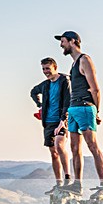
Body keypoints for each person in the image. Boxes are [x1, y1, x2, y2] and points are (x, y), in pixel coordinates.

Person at [55, 31, 103, 195]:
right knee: (74, 148)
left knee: (92, 145)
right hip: (73, 108)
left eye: (63, 41)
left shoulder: (85, 60)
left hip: (85, 107)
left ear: (72, 41)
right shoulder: (73, 64)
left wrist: (96, 110)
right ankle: (77, 185)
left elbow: (95, 88)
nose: (61, 45)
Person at [29, 57, 71, 193]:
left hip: (62, 119)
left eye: (48, 68)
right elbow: (33, 92)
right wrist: (39, 105)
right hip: (48, 121)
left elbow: (68, 100)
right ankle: (59, 183)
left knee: (59, 145)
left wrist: (63, 120)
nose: (45, 71)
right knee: (53, 153)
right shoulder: (45, 85)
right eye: (43, 69)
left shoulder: (65, 80)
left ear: (55, 67)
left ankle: (68, 178)